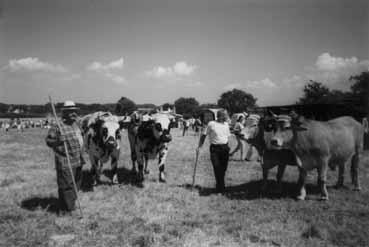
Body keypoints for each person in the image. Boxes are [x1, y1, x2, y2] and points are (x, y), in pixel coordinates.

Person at [45, 100, 84, 215]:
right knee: (66, 186)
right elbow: (48, 141)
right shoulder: (58, 126)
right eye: (71, 112)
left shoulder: (76, 125)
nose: (74, 114)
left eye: (75, 111)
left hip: (78, 160)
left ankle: (70, 205)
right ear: (65, 113)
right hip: (65, 161)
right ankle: (65, 210)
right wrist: (58, 141)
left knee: (76, 185)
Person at [197, 109, 231, 193]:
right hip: (215, 149)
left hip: (225, 148)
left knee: (223, 169)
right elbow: (203, 135)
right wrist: (199, 147)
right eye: (226, 115)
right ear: (221, 116)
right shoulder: (211, 124)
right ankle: (221, 188)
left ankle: (220, 185)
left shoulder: (226, 124)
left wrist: (227, 147)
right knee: (217, 167)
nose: (227, 117)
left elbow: (227, 136)